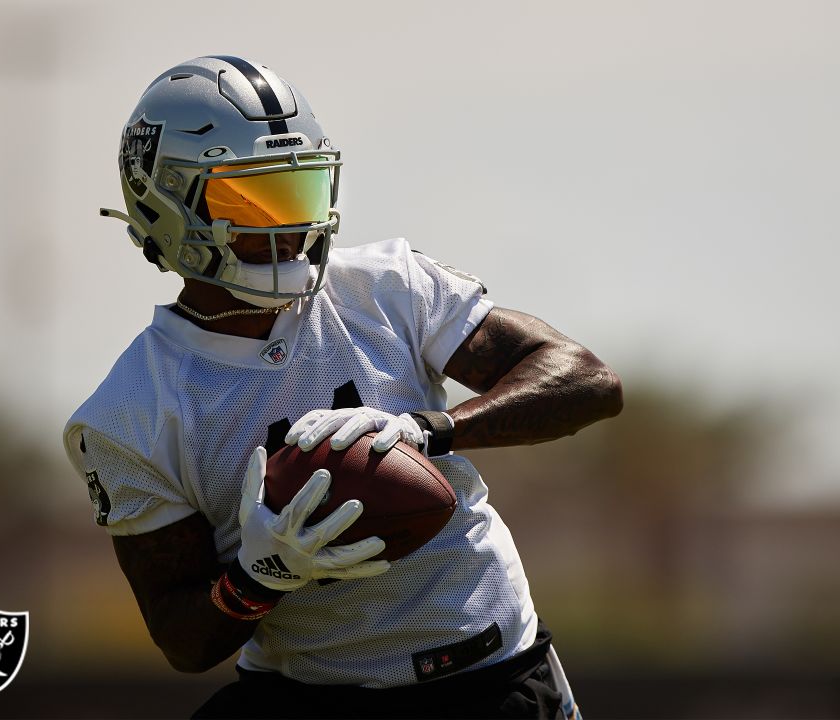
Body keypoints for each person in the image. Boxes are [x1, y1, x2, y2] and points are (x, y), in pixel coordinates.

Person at [62, 55, 622, 719]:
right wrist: (257, 576)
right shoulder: (131, 410)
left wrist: (427, 429)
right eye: (249, 199)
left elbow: (588, 380)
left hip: (484, 676)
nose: (290, 224)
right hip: (305, 694)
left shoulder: (383, 287)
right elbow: (183, 637)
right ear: (168, 208)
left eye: (295, 191)